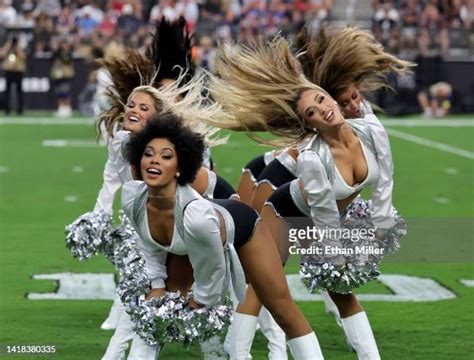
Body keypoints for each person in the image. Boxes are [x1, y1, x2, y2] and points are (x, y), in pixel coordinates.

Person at [207, 35, 407, 360]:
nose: (323, 111)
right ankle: (237, 352)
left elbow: (384, 181)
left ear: (331, 97)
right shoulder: (314, 159)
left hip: (328, 216)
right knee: (265, 287)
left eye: (321, 101)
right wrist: (336, 257)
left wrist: (381, 223)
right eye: (312, 112)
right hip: (288, 211)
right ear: (309, 125)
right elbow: (324, 217)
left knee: (343, 294)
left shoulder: (372, 129)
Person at [122, 113, 325, 360]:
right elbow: (149, 244)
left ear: (180, 168)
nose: (154, 161)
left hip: (243, 229)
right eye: (148, 153)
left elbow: (214, 268)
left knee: (282, 309)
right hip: (192, 244)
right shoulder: (133, 197)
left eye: (166, 156)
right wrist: (156, 286)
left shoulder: (195, 217)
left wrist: (201, 299)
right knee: (156, 311)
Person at [1, 37, 26, 115]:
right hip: (9, 71)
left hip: (18, 71)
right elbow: (1, 54)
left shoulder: (19, 48)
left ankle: (20, 110)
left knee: (19, 92)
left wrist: (18, 47)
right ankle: (7, 110)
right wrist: (8, 45)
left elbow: (23, 57)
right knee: (7, 92)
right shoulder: (7, 48)